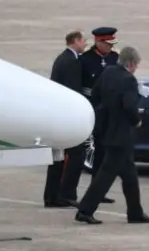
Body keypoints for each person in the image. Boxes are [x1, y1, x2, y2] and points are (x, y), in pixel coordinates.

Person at [75, 46, 149, 225]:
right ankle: (85, 210)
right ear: (131, 64)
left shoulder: (108, 72)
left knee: (130, 175)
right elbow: (128, 106)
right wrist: (136, 120)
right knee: (105, 175)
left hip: (108, 131)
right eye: (136, 65)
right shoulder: (129, 80)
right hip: (122, 134)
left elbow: (95, 96)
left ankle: (135, 212)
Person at [43, 30, 87, 208]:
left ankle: (52, 196)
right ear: (75, 41)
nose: (85, 44)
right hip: (66, 117)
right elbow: (73, 91)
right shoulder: (70, 62)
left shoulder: (63, 59)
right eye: (83, 40)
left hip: (57, 116)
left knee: (57, 158)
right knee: (76, 155)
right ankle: (65, 194)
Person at [78, 26, 120, 204]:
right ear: (98, 42)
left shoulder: (114, 58)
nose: (110, 47)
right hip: (92, 106)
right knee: (94, 150)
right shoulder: (85, 60)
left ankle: (99, 191)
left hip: (108, 108)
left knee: (104, 152)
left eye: (112, 44)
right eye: (107, 44)